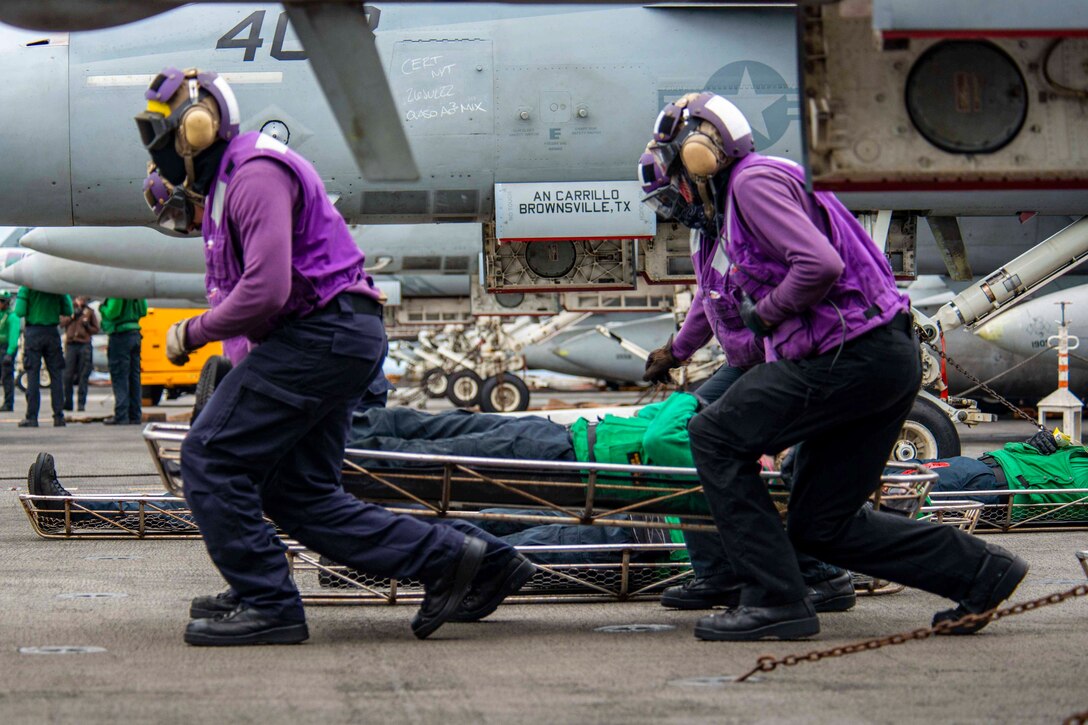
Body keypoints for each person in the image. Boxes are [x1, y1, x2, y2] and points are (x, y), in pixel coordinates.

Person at [134, 66, 530, 646]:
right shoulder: (232, 184)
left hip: (322, 335)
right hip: (332, 337)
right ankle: (465, 559)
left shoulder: (253, 175)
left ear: (196, 128)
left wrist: (192, 333)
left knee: (211, 459)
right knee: (299, 494)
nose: (161, 157)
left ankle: (269, 603)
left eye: (160, 139)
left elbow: (266, 290)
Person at [647, 92, 1028, 641]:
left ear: (701, 150)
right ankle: (982, 572)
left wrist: (766, 314)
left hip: (851, 356)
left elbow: (818, 265)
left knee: (712, 434)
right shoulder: (742, 197)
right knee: (821, 525)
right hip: (874, 361)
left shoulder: (752, 183)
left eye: (675, 161)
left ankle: (774, 600)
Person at [638, 144, 854, 613]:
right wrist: (675, 352)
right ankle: (718, 574)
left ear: (698, 171)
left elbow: (811, 274)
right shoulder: (707, 233)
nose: (672, 207)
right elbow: (707, 300)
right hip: (742, 364)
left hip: (778, 360)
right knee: (683, 443)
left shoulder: (749, 219)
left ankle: (820, 573)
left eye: (672, 193)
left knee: (734, 451)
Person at [13, 285, 70, 427]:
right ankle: (59, 417)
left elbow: (19, 311)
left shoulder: (27, 287)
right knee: (56, 375)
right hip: (52, 332)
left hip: (33, 333)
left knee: (32, 375)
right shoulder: (55, 285)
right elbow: (68, 310)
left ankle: (32, 417)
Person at [98, 297, 147, 425]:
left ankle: (122, 416)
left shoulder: (118, 289)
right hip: (135, 334)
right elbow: (143, 311)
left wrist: (102, 307)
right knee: (134, 377)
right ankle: (135, 415)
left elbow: (113, 312)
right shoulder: (136, 290)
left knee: (120, 375)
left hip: (120, 335)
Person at [60, 297, 100, 412]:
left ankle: (81, 403)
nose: (82, 301)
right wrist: (72, 317)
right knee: (68, 376)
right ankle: (68, 402)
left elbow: (96, 329)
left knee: (83, 375)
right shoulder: (69, 309)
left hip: (84, 344)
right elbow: (61, 323)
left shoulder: (89, 312)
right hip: (71, 344)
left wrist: (87, 326)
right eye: (80, 298)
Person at [0, 291, 19, 411]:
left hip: (6, 348)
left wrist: (10, 352)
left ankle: (8, 403)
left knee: (7, 377)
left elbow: (13, 335)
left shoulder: (12, 317)